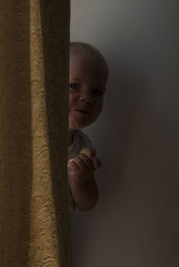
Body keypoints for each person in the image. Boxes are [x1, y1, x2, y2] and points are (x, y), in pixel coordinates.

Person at [67, 42, 109, 212]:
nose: (86, 98)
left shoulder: (83, 146)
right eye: (74, 86)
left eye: (96, 92)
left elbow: (88, 204)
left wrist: (80, 180)